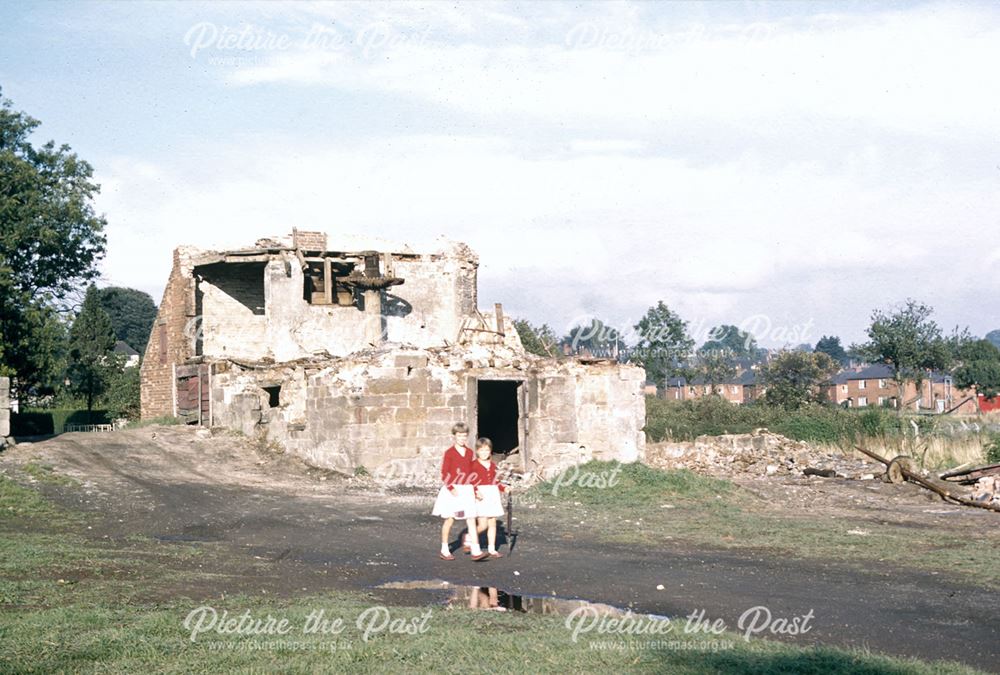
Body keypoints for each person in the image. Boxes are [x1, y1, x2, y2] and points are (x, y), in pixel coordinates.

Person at [431, 423, 487, 561]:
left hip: (466, 489)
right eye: (459, 436)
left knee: (471, 519)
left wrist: (475, 490)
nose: (462, 438)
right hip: (453, 489)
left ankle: (476, 550)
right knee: (450, 519)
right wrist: (451, 488)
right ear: (454, 436)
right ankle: (444, 549)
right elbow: (444, 473)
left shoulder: (469, 452)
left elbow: (471, 473)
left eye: (464, 436)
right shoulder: (449, 453)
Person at [468, 437, 507, 558]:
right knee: (483, 524)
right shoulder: (473, 465)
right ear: (477, 451)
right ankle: (470, 538)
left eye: (487, 450)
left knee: (492, 523)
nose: (484, 453)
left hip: (492, 494)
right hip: (481, 494)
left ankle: (491, 549)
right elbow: (469, 481)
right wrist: (475, 491)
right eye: (482, 450)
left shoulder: (493, 465)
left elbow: (496, 481)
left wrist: (504, 488)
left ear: (490, 451)